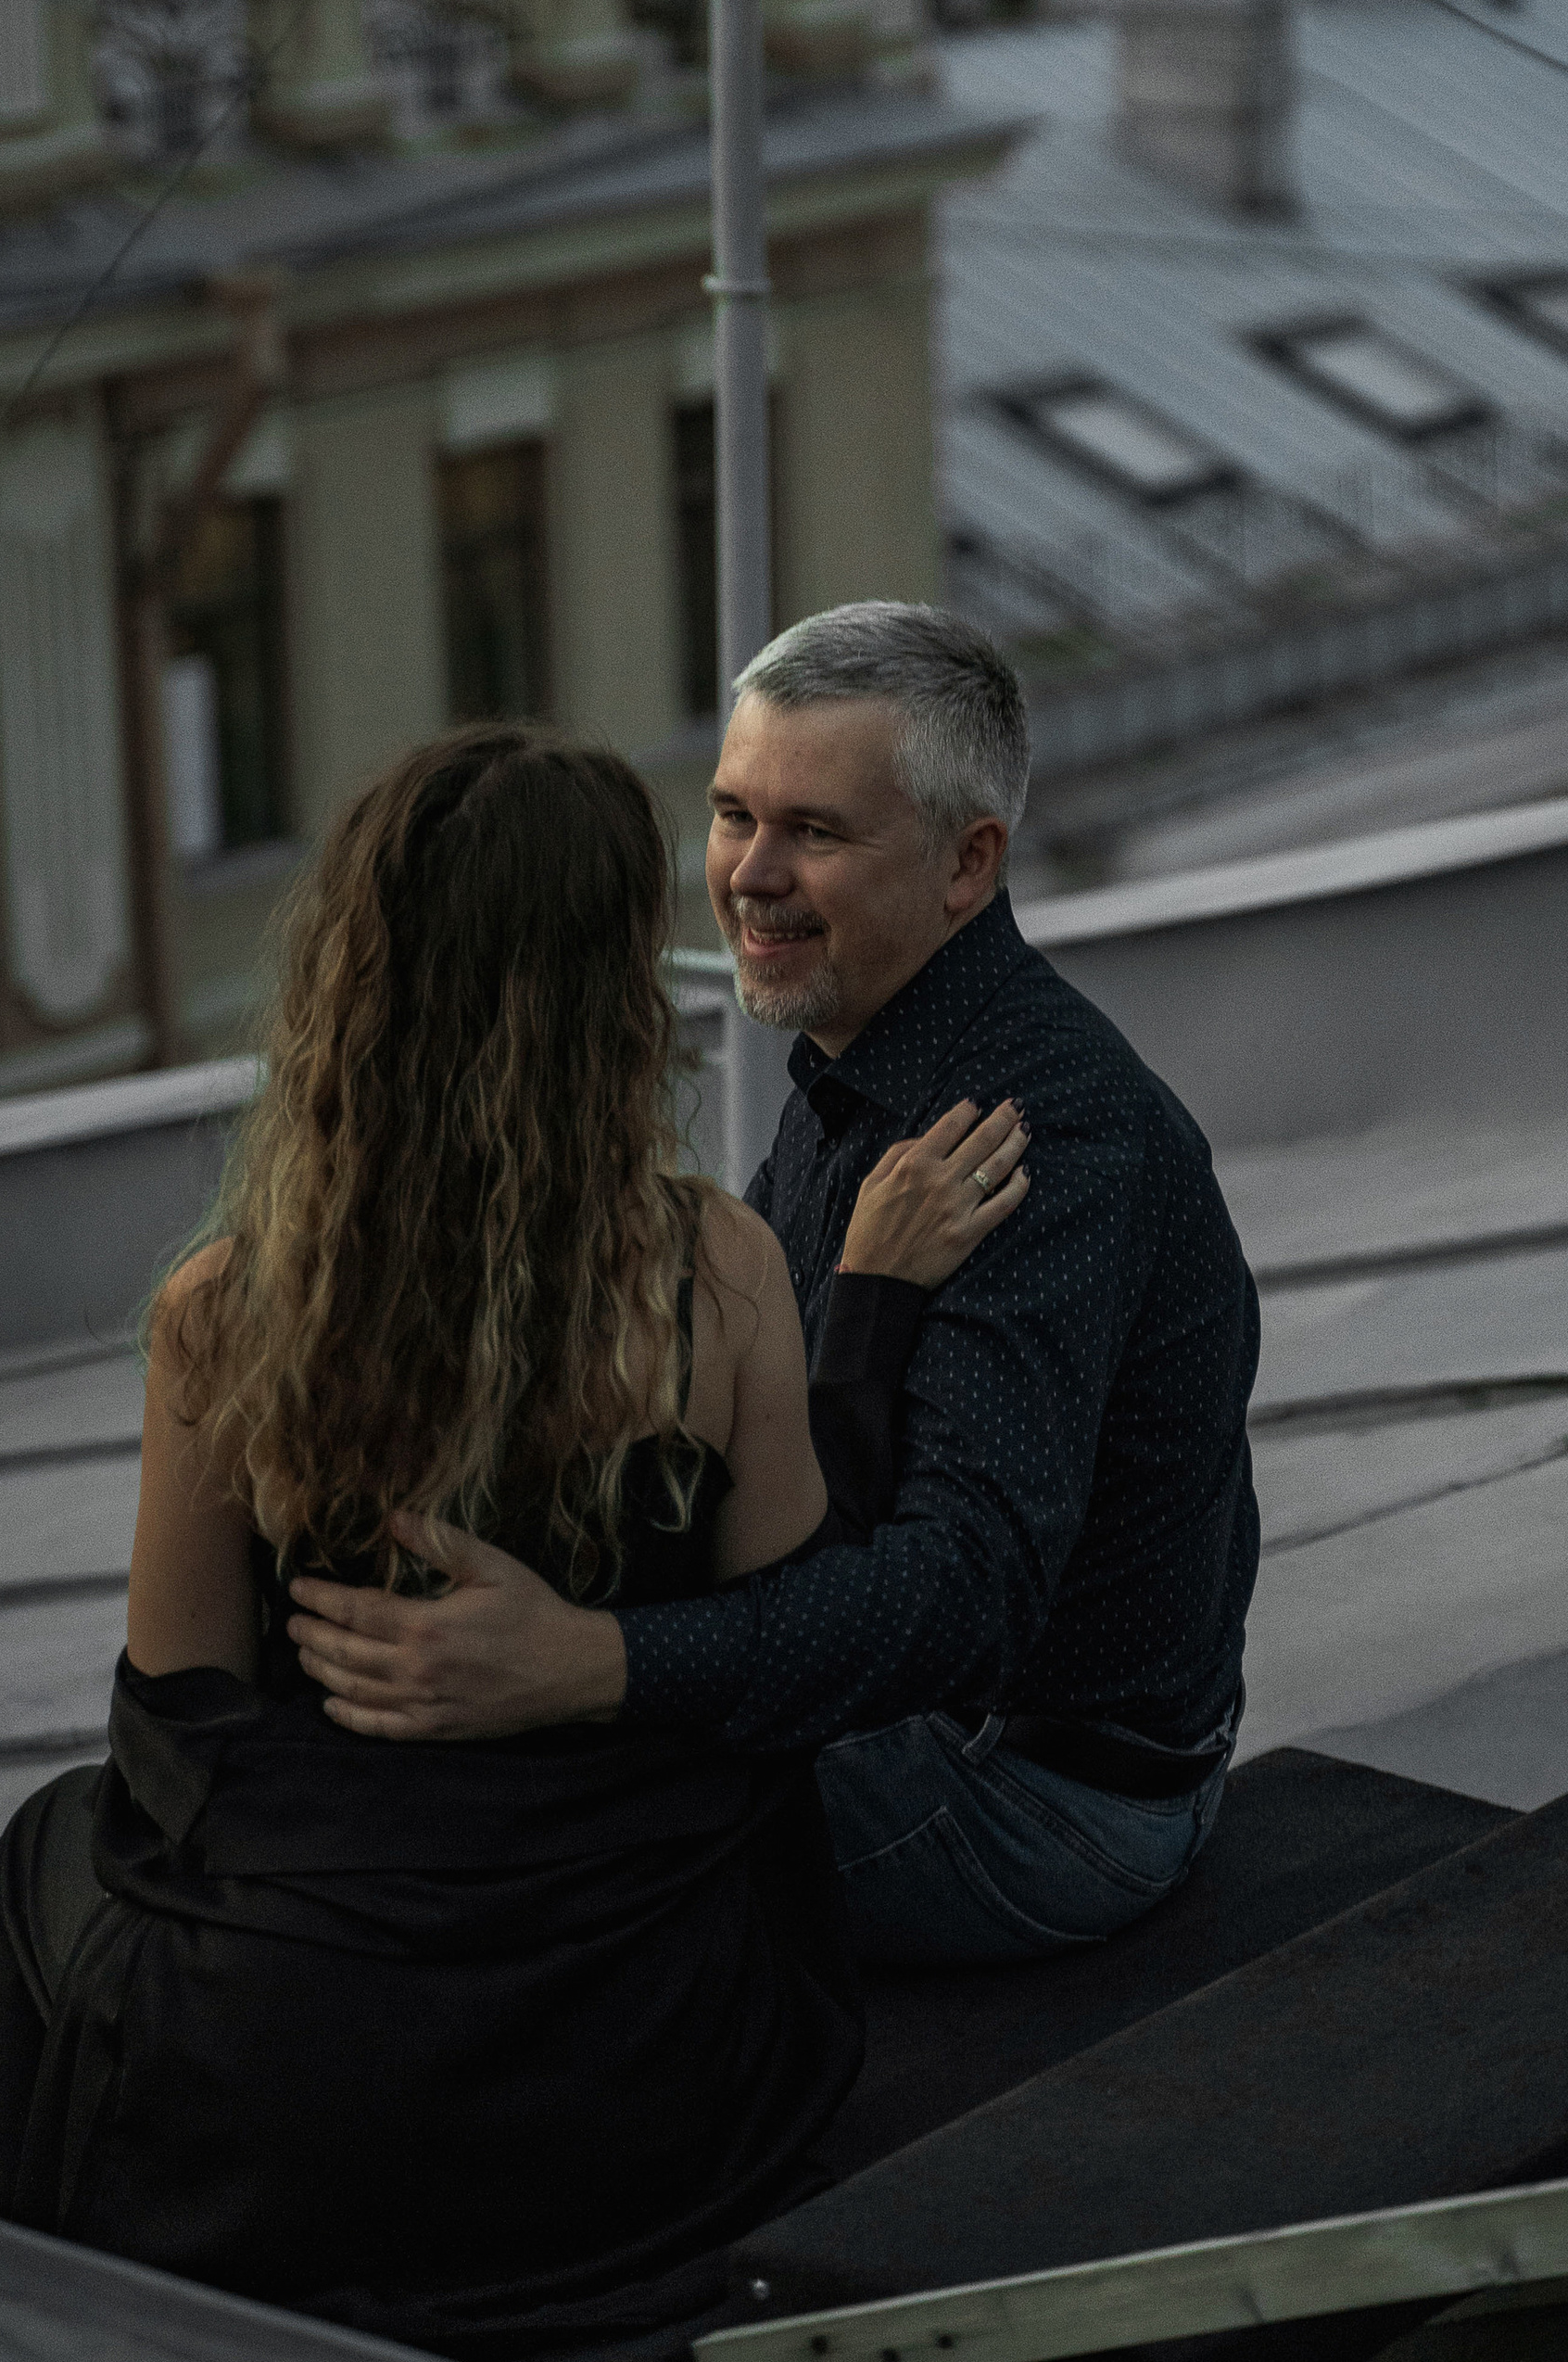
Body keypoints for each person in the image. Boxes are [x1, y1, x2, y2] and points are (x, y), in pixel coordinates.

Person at [0, 721, 1024, 2362]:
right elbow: (788, 1648)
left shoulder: (229, 1309)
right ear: (607, 991)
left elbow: (176, 1720)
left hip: (308, 2041)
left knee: (47, 1854)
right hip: (647, 2054)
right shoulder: (714, 1271)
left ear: (357, 982)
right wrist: (865, 1307)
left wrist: (371, 1874)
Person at [287, 606, 1263, 1968]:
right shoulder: (865, 1063)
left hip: (1033, 1800)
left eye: (814, 831)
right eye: (733, 815)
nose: (750, 875)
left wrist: (587, 1664)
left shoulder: (1037, 1139)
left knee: (486, 1853)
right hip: (924, 1737)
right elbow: (768, 1451)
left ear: (968, 862)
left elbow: (959, 1598)